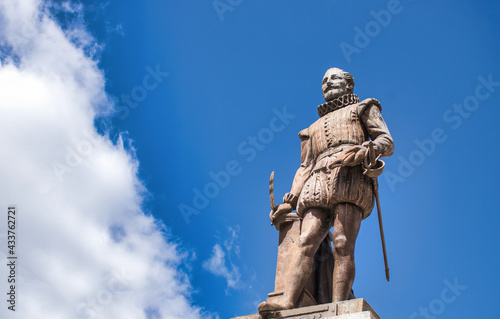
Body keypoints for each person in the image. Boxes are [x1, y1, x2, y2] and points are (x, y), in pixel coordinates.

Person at [259, 68, 394, 312]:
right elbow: (304, 166)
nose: (328, 83)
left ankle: (338, 306)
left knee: (342, 243)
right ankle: (288, 300)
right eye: (324, 81)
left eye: (334, 78)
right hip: (317, 180)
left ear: (348, 85)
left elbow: (386, 141)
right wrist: (289, 201)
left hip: (350, 176)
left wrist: (367, 152)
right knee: (306, 240)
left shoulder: (364, 108)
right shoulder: (311, 128)